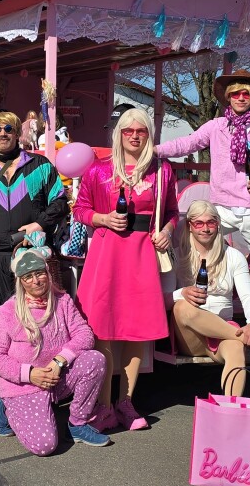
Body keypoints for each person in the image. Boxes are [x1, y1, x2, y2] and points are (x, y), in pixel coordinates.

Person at [156, 70, 250, 326]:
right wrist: (153, 151)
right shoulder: (216, 126)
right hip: (223, 207)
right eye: (235, 93)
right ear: (228, 98)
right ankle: (198, 309)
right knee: (192, 248)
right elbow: (188, 143)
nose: (241, 97)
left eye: (246, 93)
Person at [0, 110, 69, 409]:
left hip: (30, 254)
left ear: (18, 132)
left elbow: (60, 201)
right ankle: (0, 379)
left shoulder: (40, 166)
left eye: (9, 128)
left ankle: (40, 378)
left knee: (36, 317)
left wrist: (40, 223)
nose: (2, 133)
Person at [73, 107, 175, 431]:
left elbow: (173, 212)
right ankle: (103, 406)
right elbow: (80, 209)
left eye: (141, 131)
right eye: (128, 130)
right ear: (118, 134)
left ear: (149, 135)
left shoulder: (162, 171)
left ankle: (126, 403)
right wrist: (102, 218)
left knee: (136, 331)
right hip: (106, 254)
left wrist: (168, 231)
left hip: (142, 254)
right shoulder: (98, 171)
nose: (134, 135)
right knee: (101, 328)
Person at [0, 245, 110, 454]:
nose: (36, 281)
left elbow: (85, 335)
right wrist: (30, 374)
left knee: (94, 359)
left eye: (40, 273)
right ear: (20, 282)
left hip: (56, 376)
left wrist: (59, 360)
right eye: (28, 277)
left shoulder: (63, 301)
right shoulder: (7, 311)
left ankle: (78, 424)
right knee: (45, 445)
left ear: (48, 273)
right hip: (24, 384)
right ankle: (6, 408)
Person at [168, 201, 250, 396]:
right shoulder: (176, 256)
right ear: (189, 226)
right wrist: (180, 293)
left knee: (235, 348)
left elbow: (248, 296)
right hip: (191, 336)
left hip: (223, 332)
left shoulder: (233, 256)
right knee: (182, 308)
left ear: (218, 224)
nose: (206, 229)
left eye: (211, 222)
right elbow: (162, 300)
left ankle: (231, 410)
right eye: (199, 223)